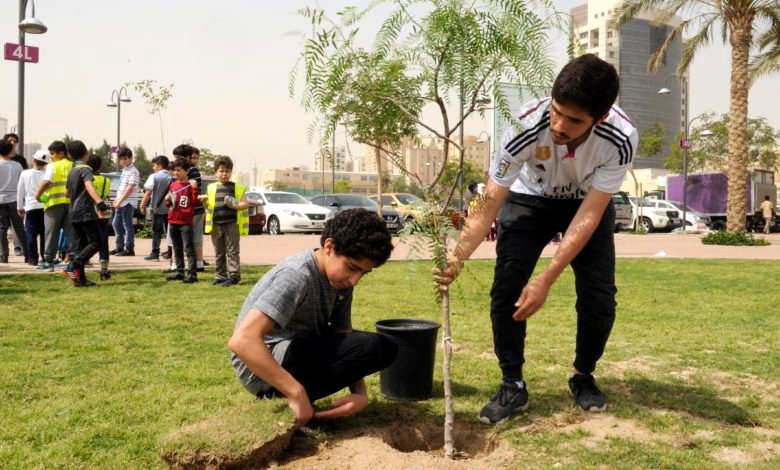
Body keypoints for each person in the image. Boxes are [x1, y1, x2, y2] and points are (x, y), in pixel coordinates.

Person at [434, 54, 638, 424]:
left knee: (599, 297)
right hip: (528, 200)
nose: (559, 125)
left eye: (574, 120)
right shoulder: (525, 125)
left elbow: (590, 214)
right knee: (506, 288)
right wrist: (457, 256)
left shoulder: (620, 138)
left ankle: (583, 376)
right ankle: (512, 384)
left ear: (601, 117)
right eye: (556, 112)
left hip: (584, 202)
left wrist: (545, 278)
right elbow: (488, 200)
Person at [228, 208, 398, 428]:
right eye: (352, 268)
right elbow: (242, 341)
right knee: (373, 345)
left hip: (300, 348)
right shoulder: (297, 276)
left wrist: (359, 394)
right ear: (329, 246)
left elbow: (343, 336)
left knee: (386, 347)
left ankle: (297, 399)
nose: (355, 280)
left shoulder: (341, 283)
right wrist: (296, 392)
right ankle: (281, 395)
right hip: (259, 368)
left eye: (363, 273)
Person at [62, 141, 109, 287]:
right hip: (85, 212)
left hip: (73, 212)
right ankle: (73, 265)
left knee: (80, 246)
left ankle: (80, 279)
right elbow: (89, 186)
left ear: (70, 155)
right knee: (96, 242)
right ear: (86, 153)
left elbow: (67, 193)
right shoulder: (86, 169)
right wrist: (99, 202)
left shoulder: (72, 170)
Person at [203, 155, 254, 287]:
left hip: (232, 224)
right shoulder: (211, 187)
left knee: (232, 251)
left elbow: (245, 204)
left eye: (227, 171)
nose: (224, 174)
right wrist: (204, 203)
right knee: (219, 251)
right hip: (216, 224)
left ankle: (234, 275)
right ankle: (220, 275)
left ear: (231, 172)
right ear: (216, 172)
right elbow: (209, 205)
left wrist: (234, 206)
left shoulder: (236, 187)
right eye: (221, 171)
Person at [35, 141, 73, 271]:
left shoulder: (53, 166)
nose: (50, 156)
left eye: (52, 153)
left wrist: (37, 196)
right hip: (70, 204)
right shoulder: (73, 165)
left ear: (61, 153)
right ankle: (73, 261)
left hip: (53, 204)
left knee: (51, 233)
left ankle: (49, 261)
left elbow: (46, 182)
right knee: (71, 233)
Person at [165, 158, 199, 283]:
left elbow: (195, 202)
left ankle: (192, 274)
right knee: (177, 248)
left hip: (185, 222)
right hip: (173, 220)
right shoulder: (173, 185)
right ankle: (179, 271)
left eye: (179, 170)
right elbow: (169, 204)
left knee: (188, 248)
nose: (176, 173)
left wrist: (195, 189)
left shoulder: (191, 185)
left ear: (187, 171)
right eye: (174, 170)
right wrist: (167, 200)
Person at [17, 149, 49, 266]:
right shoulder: (48, 173)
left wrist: (20, 207)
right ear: (46, 163)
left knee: (31, 234)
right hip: (45, 207)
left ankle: (32, 259)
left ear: (33, 160)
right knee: (45, 234)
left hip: (30, 207)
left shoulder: (25, 173)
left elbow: (20, 191)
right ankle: (45, 257)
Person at [139, 155, 172, 261]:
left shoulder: (154, 176)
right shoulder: (172, 177)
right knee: (169, 231)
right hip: (170, 209)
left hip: (157, 209)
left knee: (157, 231)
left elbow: (148, 192)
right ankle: (170, 252)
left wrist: (142, 204)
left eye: (154, 165)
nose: (153, 168)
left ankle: (155, 253)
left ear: (159, 165)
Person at [0, 139, 27, 263]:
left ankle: (3, 256)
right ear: (10, 150)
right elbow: (23, 185)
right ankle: (28, 254)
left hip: (0, 200)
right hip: (15, 200)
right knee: (19, 228)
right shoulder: (17, 165)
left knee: (2, 229)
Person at [111, 147, 140, 257]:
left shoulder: (133, 171)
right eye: (121, 159)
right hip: (121, 201)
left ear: (131, 158)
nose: (123, 161)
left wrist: (121, 200)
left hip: (128, 202)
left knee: (127, 225)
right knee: (115, 223)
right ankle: (119, 247)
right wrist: (117, 200)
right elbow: (122, 187)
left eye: (125, 158)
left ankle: (129, 248)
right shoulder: (125, 170)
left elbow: (130, 188)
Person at [88, 155, 112, 280]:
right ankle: (104, 268)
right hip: (104, 208)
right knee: (104, 239)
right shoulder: (106, 180)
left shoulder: (88, 179)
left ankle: (84, 260)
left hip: (91, 208)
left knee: (89, 238)